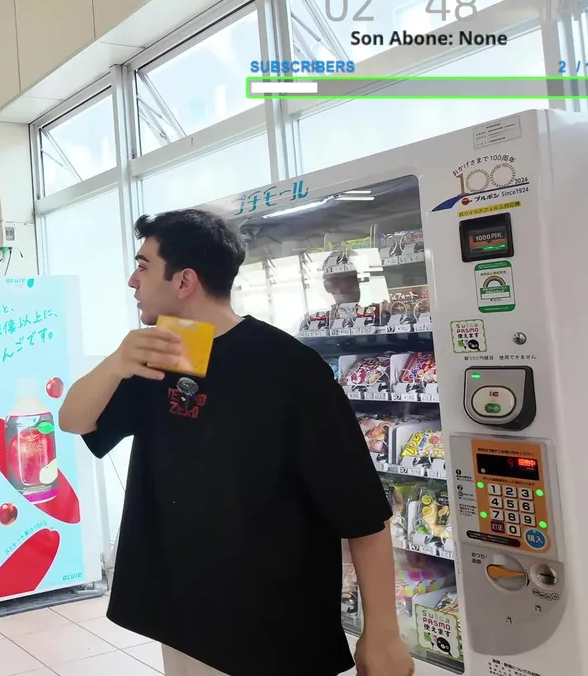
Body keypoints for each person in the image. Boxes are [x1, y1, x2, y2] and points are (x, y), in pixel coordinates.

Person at [58, 209, 414, 676]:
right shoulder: (165, 353)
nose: (132, 280)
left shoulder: (289, 368)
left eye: (143, 266)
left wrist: (382, 633)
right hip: (182, 616)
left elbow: (362, 510)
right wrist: (115, 362)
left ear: (184, 280)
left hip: (271, 628)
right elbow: (74, 420)